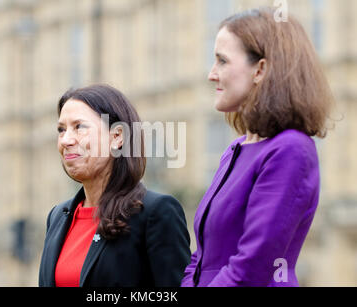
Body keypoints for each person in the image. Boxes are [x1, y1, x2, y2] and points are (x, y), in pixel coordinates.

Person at [182, 8, 334, 287]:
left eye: (222, 61)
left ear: (260, 70)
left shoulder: (290, 150)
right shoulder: (235, 149)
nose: (211, 74)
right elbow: (201, 258)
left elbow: (252, 266)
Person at [38, 84, 191, 287]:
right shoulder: (57, 217)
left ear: (117, 136)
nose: (66, 140)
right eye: (61, 129)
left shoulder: (155, 213)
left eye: (79, 127)